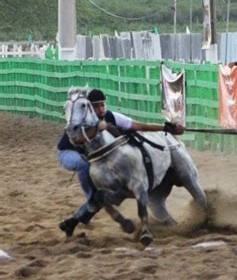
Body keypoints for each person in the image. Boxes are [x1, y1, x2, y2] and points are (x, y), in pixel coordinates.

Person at [58, 89, 184, 235]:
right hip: (68, 152)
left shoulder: (110, 116)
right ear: (89, 108)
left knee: (101, 185)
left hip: (92, 155)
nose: (101, 110)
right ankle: (90, 202)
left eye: (102, 105)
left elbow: (140, 126)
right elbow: (76, 140)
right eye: (96, 106)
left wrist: (165, 127)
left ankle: (74, 221)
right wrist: (97, 129)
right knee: (86, 169)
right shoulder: (81, 121)